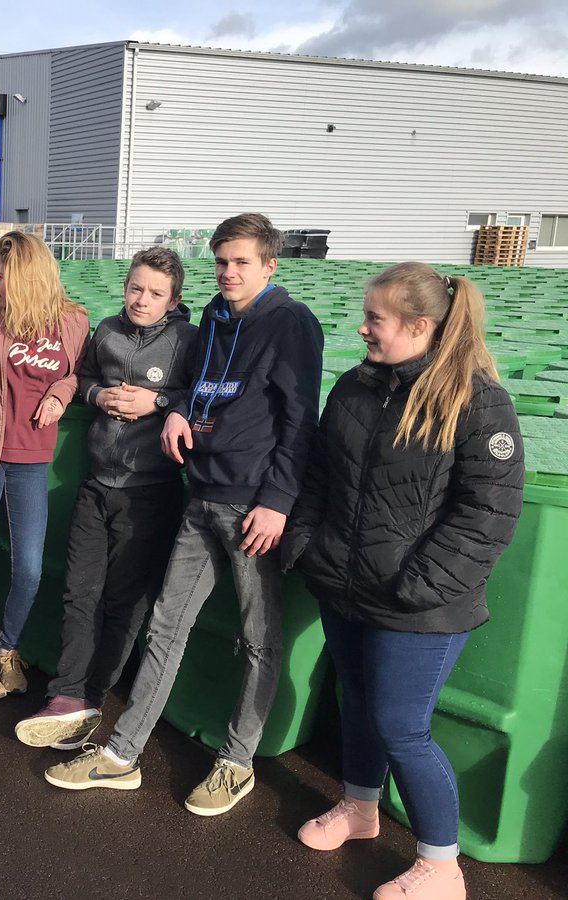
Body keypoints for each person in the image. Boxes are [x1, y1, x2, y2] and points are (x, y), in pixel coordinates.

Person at [45, 213, 324, 815]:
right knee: (166, 627)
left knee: (258, 641)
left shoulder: (290, 322)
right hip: (202, 496)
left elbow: (301, 420)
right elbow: (201, 386)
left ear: (269, 266)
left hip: (253, 506)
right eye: (221, 261)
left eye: (241, 262)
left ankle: (237, 762)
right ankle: (121, 755)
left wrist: (277, 502)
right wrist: (178, 410)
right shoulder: (217, 317)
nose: (228, 272)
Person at [283, 263, 523, 900]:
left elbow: (488, 512)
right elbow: (319, 476)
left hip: (420, 604)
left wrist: (419, 585)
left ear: (419, 326)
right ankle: (359, 807)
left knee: (401, 727)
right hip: (346, 585)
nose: (362, 328)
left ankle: (441, 866)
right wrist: (308, 546)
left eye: (376, 319)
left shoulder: (477, 400)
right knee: (358, 705)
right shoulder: (356, 386)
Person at [15, 247, 196, 748]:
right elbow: (85, 379)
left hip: (149, 493)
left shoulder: (188, 340)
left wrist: (159, 402)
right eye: (136, 288)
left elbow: (202, 395)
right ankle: (66, 695)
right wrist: (98, 396)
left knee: (123, 602)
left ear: (173, 300)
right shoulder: (108, 331)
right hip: (97, 484)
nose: (142, 300)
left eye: (155, 294)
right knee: (79, 593)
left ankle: (93, 696)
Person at [0, 231, 90, 701]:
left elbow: (76, 374)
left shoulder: (71, 320)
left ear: (31, 276)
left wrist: (60, 394)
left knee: (29, 566)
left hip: (32, 456)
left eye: (6, 273)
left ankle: (8, 649)